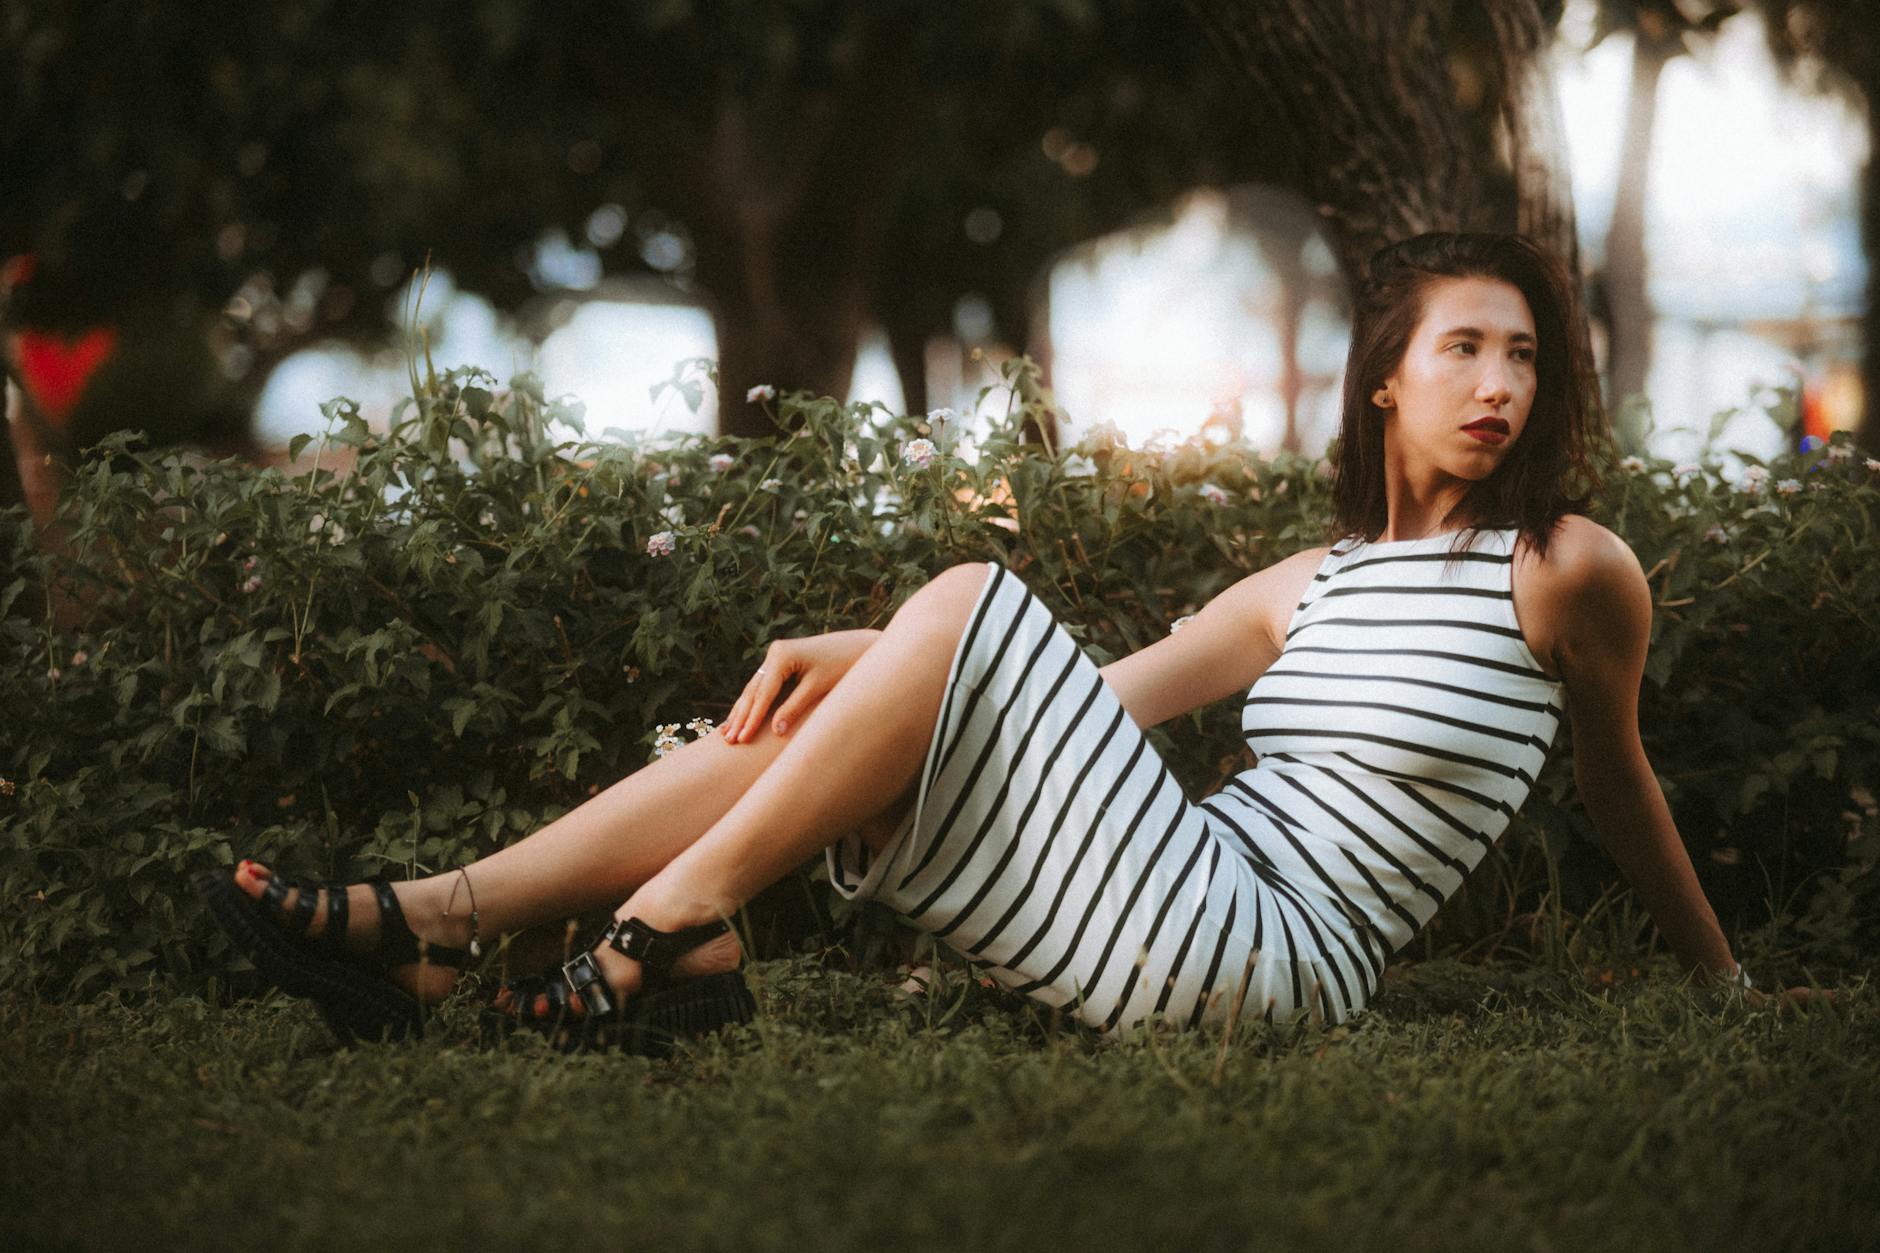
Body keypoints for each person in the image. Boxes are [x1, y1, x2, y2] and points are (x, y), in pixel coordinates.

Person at [200, 231, 1794, 1051]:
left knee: (962, 600)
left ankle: (673, 919)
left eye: (1521, 353)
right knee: (882, 673)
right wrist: (873, 656)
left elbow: (1623, 781)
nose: (1497, 381)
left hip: (1276, 955)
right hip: (1163, 888)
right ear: (1389, 375)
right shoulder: (1298, 584)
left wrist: (1721, 987)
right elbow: (1068, 705)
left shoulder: (1567, 569)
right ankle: (431, 922)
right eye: (1463, 345)